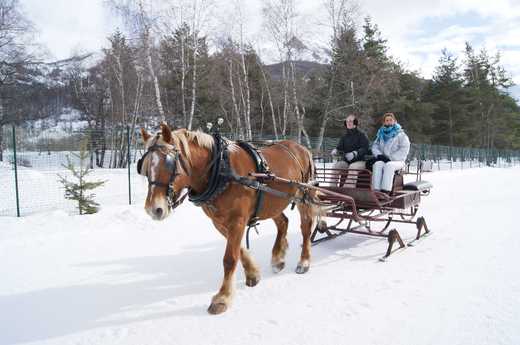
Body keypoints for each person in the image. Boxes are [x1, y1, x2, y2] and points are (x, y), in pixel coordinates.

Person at [370, 112, 410, 194]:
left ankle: (385, 191)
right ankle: (376, 191)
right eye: (387, 120)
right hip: (384, 159)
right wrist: (379, 155)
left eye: (390, 120)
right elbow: (375, 146)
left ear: (395, 121)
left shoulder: (400, 134)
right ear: (384, 122)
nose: (389, 122)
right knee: (377, 164)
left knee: (389, 166)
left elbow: (405, 148)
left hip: (398, 161)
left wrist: (390, 158)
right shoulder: (380, 134)